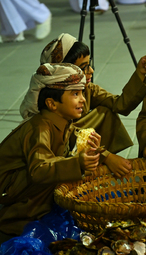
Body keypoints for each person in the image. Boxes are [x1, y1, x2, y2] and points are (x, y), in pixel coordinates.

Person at [30, 33, 146, 178]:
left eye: (89, 65)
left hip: (72, 149)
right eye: (83, 67)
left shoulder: (88, 89)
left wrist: (140, 73)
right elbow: (40, 167)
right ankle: (90, 163)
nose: (91, 71)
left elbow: (120, 105)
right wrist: (106, 156)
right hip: (56, 158)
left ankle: (93, 163)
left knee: (106, 111)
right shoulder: (43, 117)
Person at [0, 63, 101, 244]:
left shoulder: (63, 122)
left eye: (82, 93)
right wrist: (77, 163)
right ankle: (16, 223)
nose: (83, 100)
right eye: (75, 94)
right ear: (52, 103)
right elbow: (39, 169)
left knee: (61, 167)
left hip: (22, 182)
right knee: (52, 170)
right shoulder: (40, 127)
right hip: (8, 190)